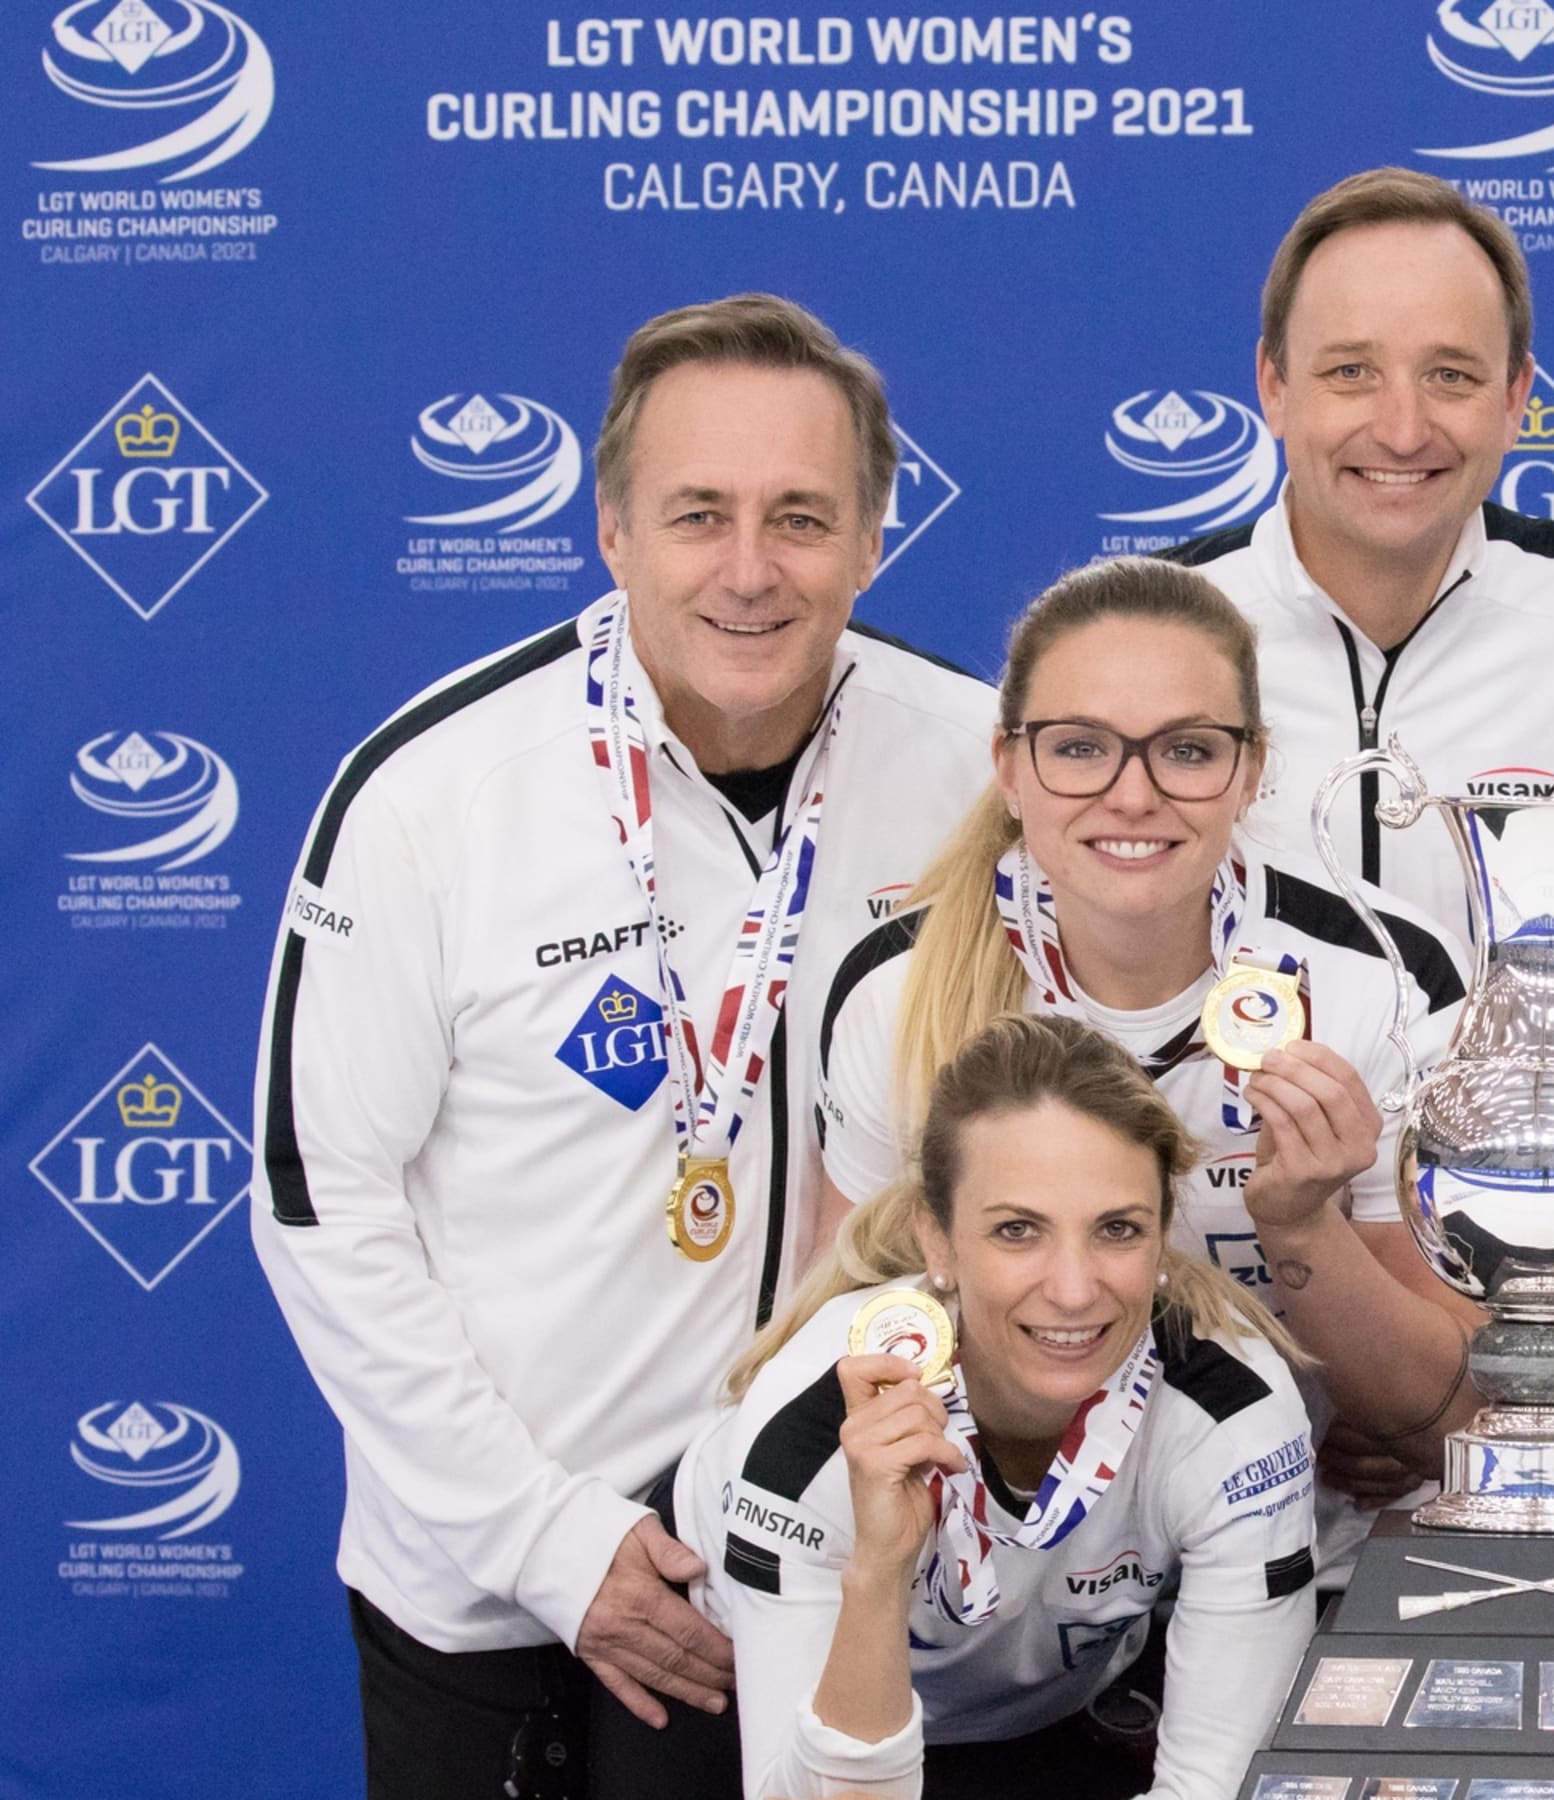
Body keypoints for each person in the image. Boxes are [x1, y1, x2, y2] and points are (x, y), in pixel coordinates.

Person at [250, 294, 997, 1795]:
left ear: (873, 537)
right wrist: (546, 1540)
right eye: (695, 514)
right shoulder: (432, 793)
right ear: (609, 528)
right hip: (496, 1595)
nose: (746, 570)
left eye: (800, 517)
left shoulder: (981, 766)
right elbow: (320, 1199)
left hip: (829, 1564)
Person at [1162, 163, 1554, 1499]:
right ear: (1272, 386)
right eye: (1349, 371)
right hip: (1205, 1387)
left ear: (1524, 399)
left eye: (1454, 376)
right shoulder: (1162, 639)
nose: (1401, 425)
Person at [816, 555, 1479, 1576]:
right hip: (1004, 1588)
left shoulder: (1378, 977)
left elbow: (1450, 1426)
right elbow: (854, 1343)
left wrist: (1303, 1227)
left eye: (1186, 749)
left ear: (1251, 769)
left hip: (1305, 1559)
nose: (1132, 795)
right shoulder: (895, 993)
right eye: (1079, 749)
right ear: (1009, 764)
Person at [686, 1012, 1318, 1799]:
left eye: (1117, 1230)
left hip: (1039, 1717)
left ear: (1161, 1237)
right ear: (939, 1243)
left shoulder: (1233, 1417)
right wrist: (878, 1572)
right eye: (1018, 1230)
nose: (1074, 1289)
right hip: (724, 1690)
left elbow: (1213, 1789)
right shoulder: (822, 1421)